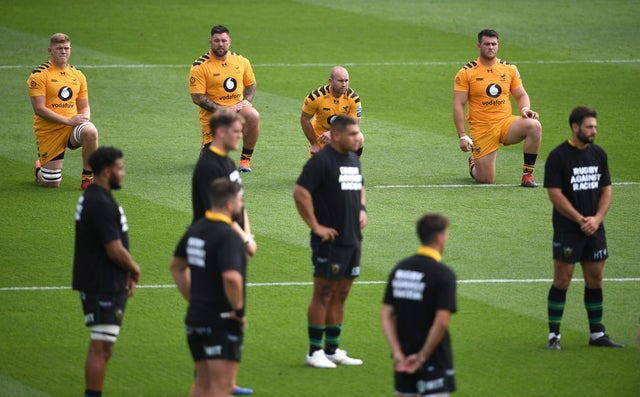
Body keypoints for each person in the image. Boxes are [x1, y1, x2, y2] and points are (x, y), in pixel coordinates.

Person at [544, 106, 623, 350]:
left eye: (595, 127)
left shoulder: (599, 154)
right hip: (569, 229)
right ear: (575, 127)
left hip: (595, 228)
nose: (593, 131)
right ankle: (554, 335)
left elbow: (606, 189)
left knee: (595, 279)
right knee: (562, 280)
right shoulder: (558, 156)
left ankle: (597, 333)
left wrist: (597, 219)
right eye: (589, 127)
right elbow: (555, 195)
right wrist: (580, 219)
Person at [293, 115, 367, 368]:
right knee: (323, 293)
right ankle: (314, 352)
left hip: (352, 239)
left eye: (358, 133)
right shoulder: (321, 162)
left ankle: (332, 349)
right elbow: (300, 192)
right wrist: (316, 226)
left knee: (342, 294)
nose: (358, 138)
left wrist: (363, 209)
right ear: (336, 135)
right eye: (352, 134)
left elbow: (360, 186)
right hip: (329, 241)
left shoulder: (353, 158)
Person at [190, 109, 256, 395]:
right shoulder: (208, 166)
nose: (240, 135)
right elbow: (215, 211)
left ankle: (225, 382)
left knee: (225, 313)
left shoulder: (228, 163)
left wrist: (247, 234)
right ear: (219, 132)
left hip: (232, 241)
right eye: (236, 131)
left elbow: (239, 204)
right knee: (222, 312)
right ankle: (216, 384)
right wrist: (243, 239)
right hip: (216, 245)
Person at [72, 146, 141, 397]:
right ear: (106, 172)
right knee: (101, 346)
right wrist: (134, 269)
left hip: (104, 279)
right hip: (102, 282)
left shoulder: (98, 197)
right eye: (120, 169)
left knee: (104, 346)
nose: (123, 174)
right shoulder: (99, 202)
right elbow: (114, 249)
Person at [170, 178, 248, 397]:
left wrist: (193, 297)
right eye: (241, 201)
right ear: (230, 205)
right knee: (220, 388)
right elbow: (232, 278)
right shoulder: (229, 236)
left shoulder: (195, 229)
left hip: (195, 319)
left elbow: (176, 266)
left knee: (201, 386)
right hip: (220, 321)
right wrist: (238, 311)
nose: (242, 206)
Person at [453, 29, 542, 187]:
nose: (491, 47)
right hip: (482, 128)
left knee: (534, 126)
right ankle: (473, 162)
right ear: (479, 46)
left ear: (498, 45)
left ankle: (527, 175)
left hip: (505, 123)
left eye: (494, 44)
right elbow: (459, 104)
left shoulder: (509, 69)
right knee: (486, 180)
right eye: (487, 44)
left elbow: (521, 95)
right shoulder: (466, 72)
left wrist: (525, 109)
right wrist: (462, 135)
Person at [381, 214, 457, 397]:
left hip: (403, 359)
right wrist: (422, 357)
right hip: (434, 360)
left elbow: (386, 314)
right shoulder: (443, 274)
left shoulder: (401, 268)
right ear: (439, 238)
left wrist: (397, 353)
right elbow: (442, 322)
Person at [28, 33, 99, 190]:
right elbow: (39, 109)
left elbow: (84, 105)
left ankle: (87, 179)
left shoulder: (78, 75)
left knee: (90, 131)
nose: (63, 51)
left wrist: (84, 119)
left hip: (71, 128)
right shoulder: (39, 75)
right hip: (49, 131)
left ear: (71, 50)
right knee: (51, 183)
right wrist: (67, 120)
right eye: (59, 48)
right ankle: (39, 169)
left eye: (66, 48)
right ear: (50, 51)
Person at [190, 24, 260, 172]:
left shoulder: (241, 61)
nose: (220, 44)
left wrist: (246, 101)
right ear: (210, 42)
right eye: (216, 41)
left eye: (223, 40)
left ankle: (245, 160)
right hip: (214, 114)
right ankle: (206, 144)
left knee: (253, 115)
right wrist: (225, 110)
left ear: (229, 41)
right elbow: (197, 98)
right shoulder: (200, 66)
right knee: (208, 165)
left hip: (238, 109)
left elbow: (251, 84)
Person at [300, 66, 364, 157]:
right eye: (340, 81)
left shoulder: (353, 99)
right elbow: (304, 119)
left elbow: (353, 124)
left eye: (346, 80)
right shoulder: (315, 97)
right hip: (321, 141)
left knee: (359, 137)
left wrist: (333, 132)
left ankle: (353, 165)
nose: (344, 84)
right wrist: (313, 143)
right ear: (330, 81)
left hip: (342, 140)